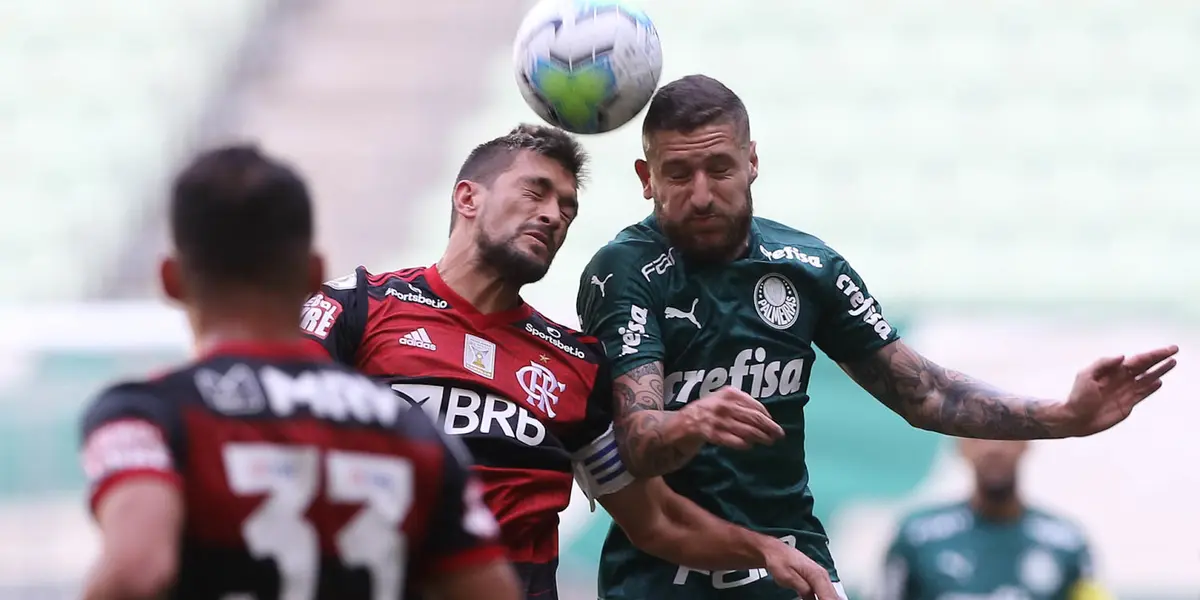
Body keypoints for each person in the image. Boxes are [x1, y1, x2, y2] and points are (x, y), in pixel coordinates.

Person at [575, 74, 1178, 600]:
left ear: (752, 160)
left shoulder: (808, 266)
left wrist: (1063, 416)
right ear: (645, 176)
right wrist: (689, 421)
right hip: (661, 576)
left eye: (720, 168)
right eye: (678, 173)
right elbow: (636, 442)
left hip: (794, 565)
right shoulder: (624, 271)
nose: (702, 193)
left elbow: (921, 393)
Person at [301, 124, 837, 600]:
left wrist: (765, 549)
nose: (553, 214)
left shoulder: (573, 364)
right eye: (536, 191)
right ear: (467, 197)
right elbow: (262, 420)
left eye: (567, 207)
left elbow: (655, 521)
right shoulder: (359, 308)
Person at [79, 145, 519, 600]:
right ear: (315, 275)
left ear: (170, 280)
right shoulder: (414, 432)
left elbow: (135, 571)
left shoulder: (146, 415)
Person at [881, 439, 1111, 600]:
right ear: (961, 447)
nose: (994, 448)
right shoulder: (916, 536)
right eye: (978, 436)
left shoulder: (1067, 541)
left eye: (1006, 435)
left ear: (1026, 444)